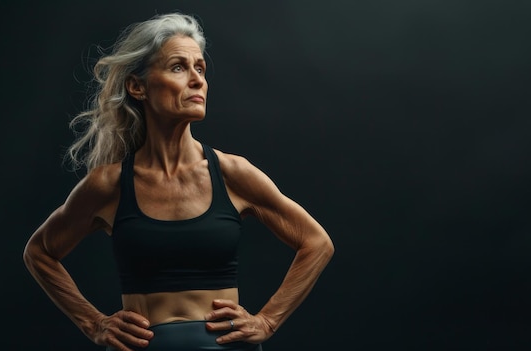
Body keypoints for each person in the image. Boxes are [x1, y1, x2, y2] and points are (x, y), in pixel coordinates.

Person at [23, 12, 334, 351]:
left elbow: (316, 242)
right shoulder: (109, 184)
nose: (197, 80)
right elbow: (39, 252)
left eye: (199, 68)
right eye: (177, 67)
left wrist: (268, 320)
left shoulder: (232, 173)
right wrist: (93, 322)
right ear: (137, 86)